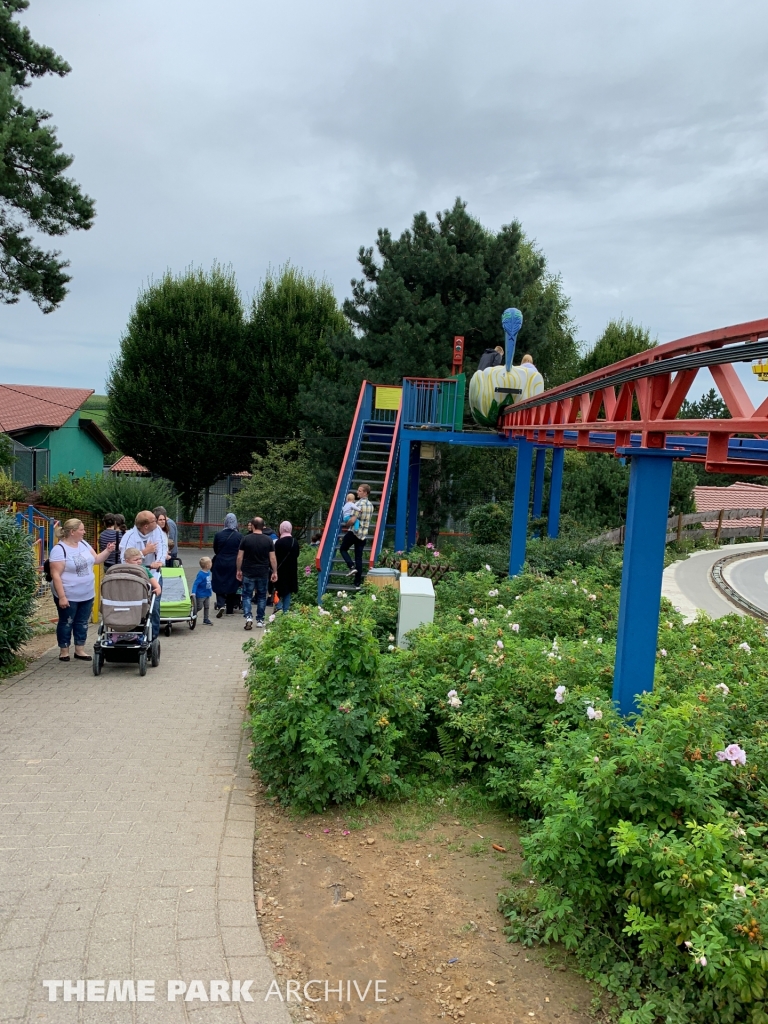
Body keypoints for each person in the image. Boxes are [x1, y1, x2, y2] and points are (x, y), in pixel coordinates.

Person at [49, 519, 115, 662]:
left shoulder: (84, 544)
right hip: (69, 594)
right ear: (72, 532)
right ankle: (64, 650)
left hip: (87, 593)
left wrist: (108, 551)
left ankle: (80, 649)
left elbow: (96, 559)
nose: (84, 532)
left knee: (82, 622)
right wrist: (62, 597)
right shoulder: (59, 550)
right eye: (81, 529)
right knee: (67, 621)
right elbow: (56, 575)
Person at [119, 510, 167, 641]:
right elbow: (124, 560)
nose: (157, 522)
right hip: (134, 577)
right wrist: (144, 552)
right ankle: (131, 633)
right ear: (146, 525)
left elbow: (162, 548)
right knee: (133, 606)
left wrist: (159, 561)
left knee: (154, 607)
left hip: (153, 574)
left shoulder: (157, 531)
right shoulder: (129, 537)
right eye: (154, 520)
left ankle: (153, 638)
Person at [236, 517, 277, 630]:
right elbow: (272, 558)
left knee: (247, 595)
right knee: (262, 596)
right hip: (263, 572)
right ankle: (260, 620)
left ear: (253, 526)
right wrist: (274, 571)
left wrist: (238, 570)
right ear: (263, 526)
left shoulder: (245, 539)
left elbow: (239, 557)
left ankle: (248, 617)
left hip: (248, 571)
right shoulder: (268, 540)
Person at [339, 483, 374, 587]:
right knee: (359, 558)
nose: (357, 492)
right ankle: (357, 583)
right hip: (363, 535)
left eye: (360, 490)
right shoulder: (371, 505)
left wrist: (346, 524)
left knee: (343, 549)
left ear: (365, 492)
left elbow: (353, 520)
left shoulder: (358, 504)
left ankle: (351, 566)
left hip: (354, 532)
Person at [212, 513, 242, 617]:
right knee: (232, 584)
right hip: (233, 563)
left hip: (220, 562)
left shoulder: (218, 535)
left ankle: (221, 604)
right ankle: (230, 609)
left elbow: (215, 549)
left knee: (219, 582)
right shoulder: (239, 536)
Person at [273, 521, 300, 615]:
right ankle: (285, 612)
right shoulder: (294, 542)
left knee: (276, 589)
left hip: (280, 570)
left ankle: (279, 606)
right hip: (291, 570)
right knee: (287, 591)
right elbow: (297, 554)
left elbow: (275, 556)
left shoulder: (278, 542)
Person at [191, 556, 214, 624]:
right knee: (199, 606)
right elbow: (196, 584)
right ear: (207, 565)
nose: (211, 564)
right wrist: (193, 592)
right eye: (210, 563)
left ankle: (206, 619)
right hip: (201, 594)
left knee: (207, 606)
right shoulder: (201, 574)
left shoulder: (208, 572)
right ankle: (192, 614)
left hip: (207, 593)